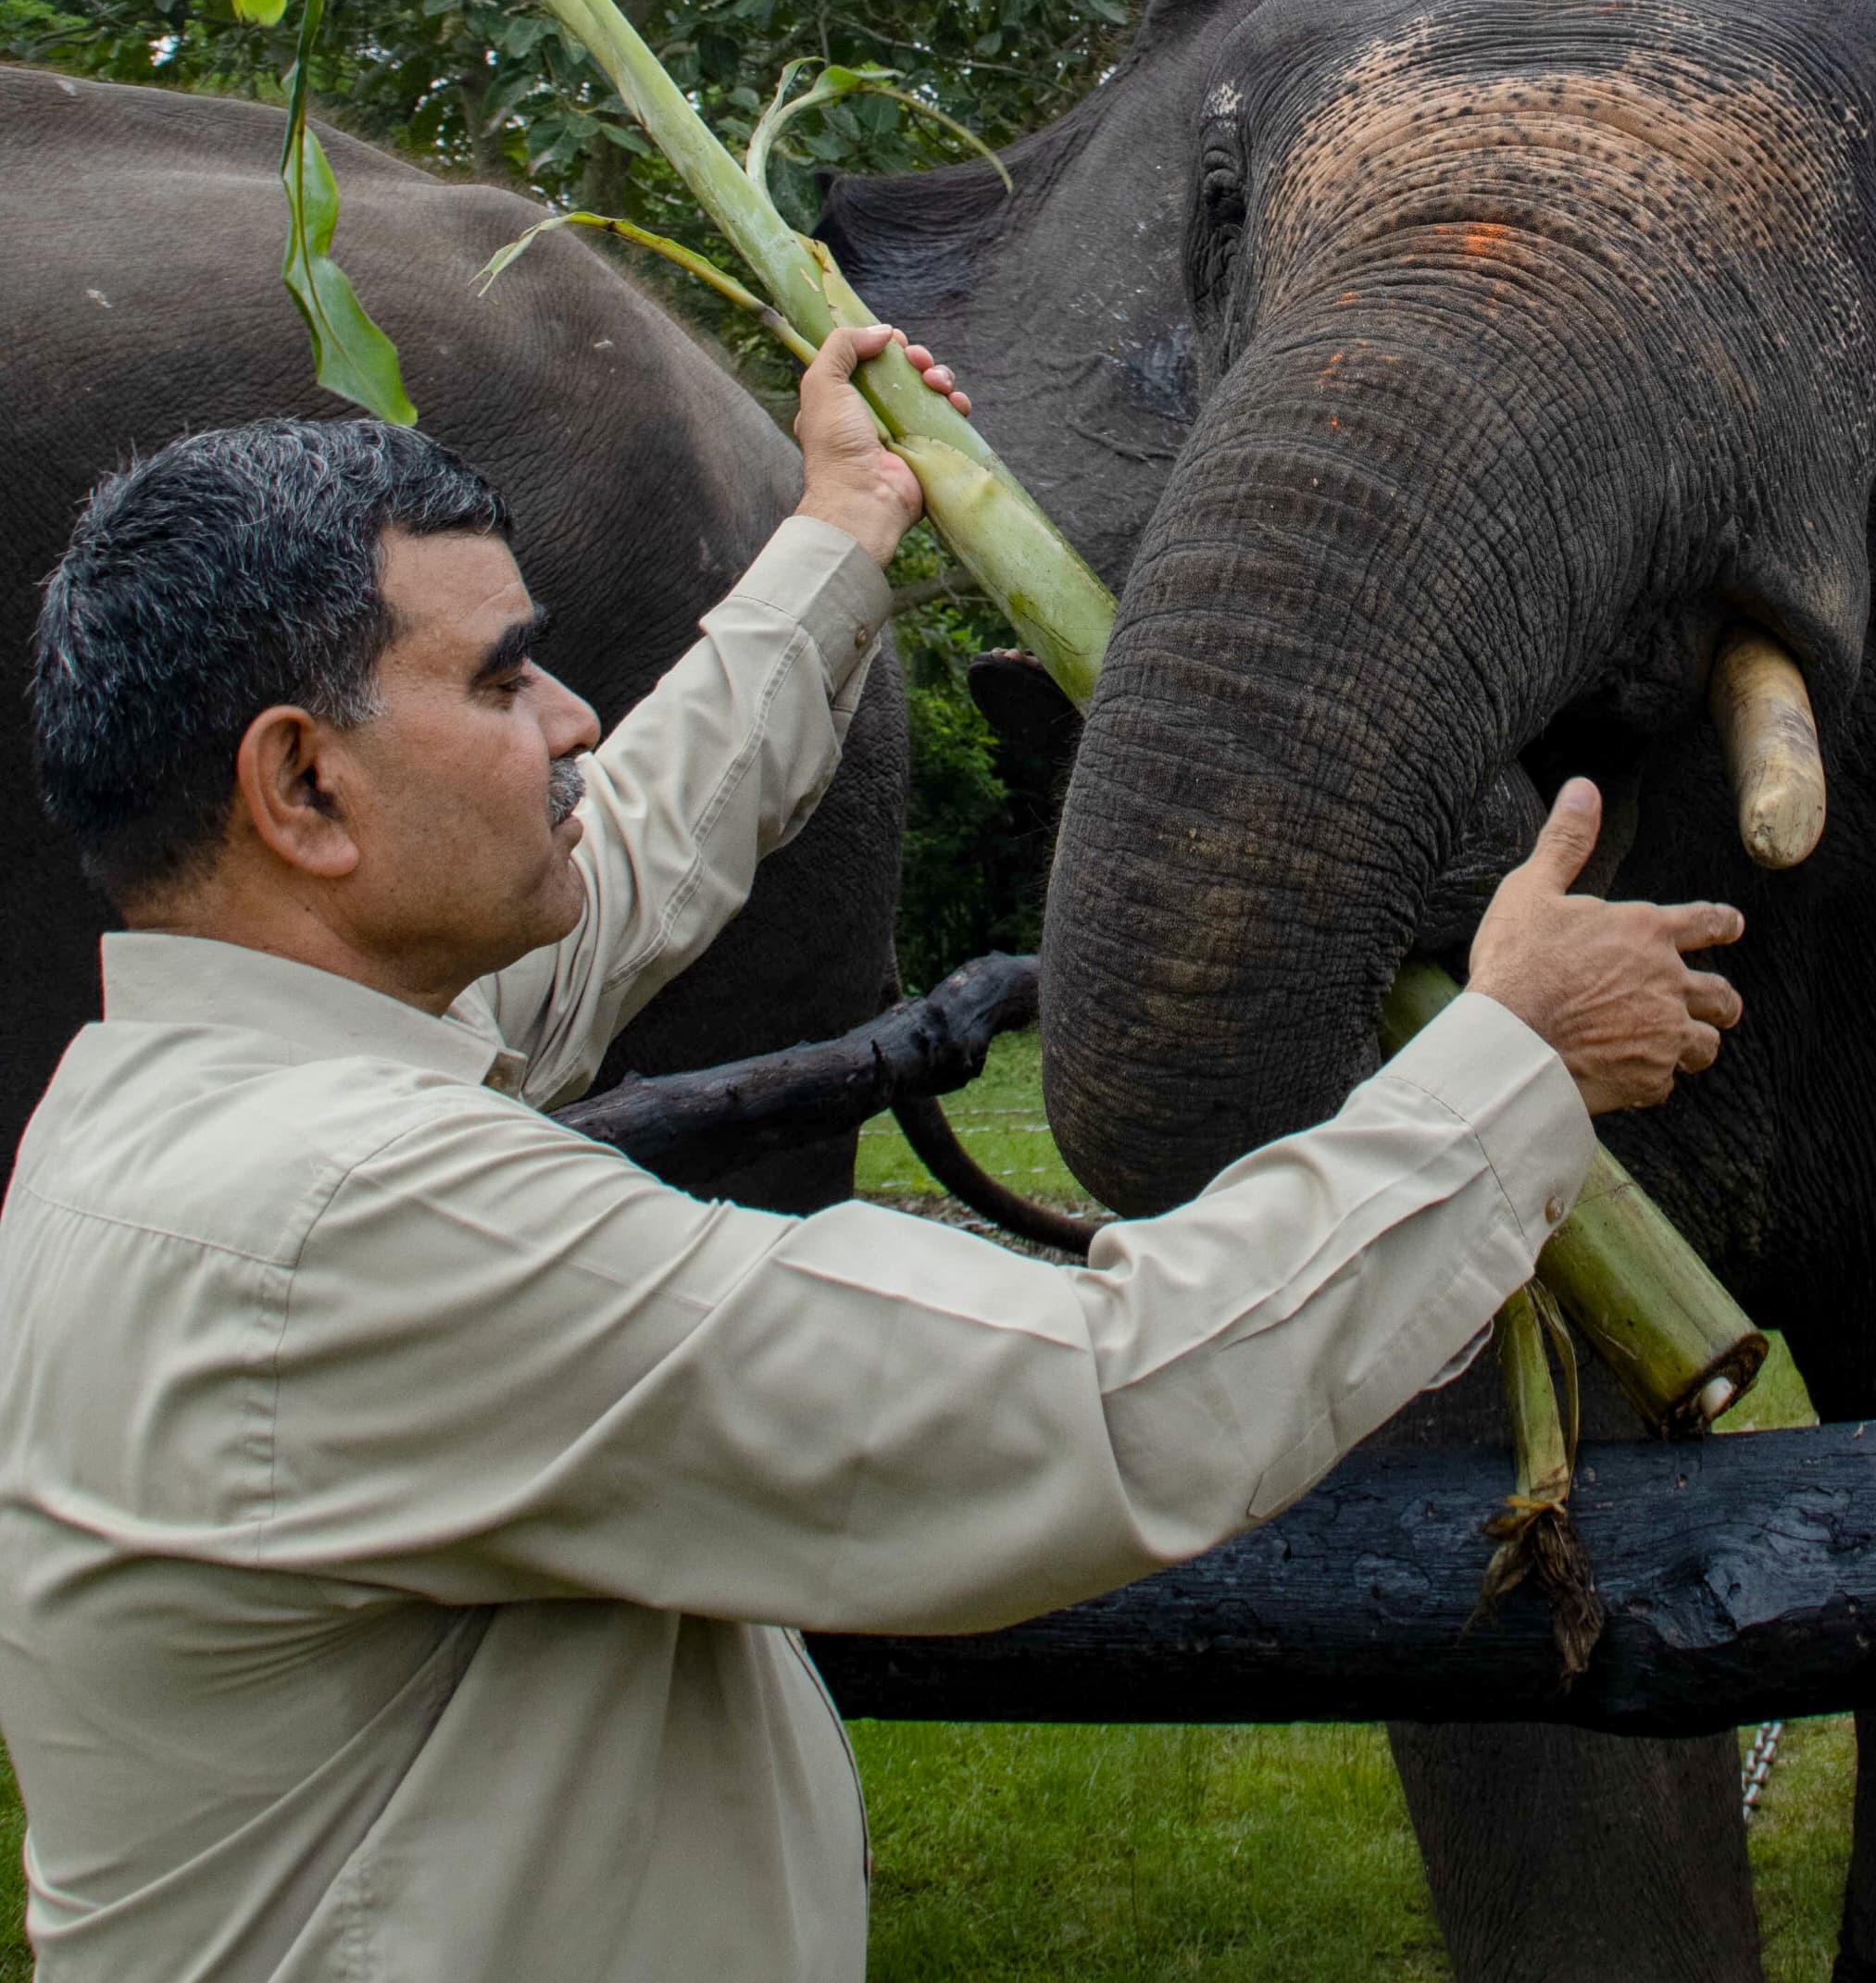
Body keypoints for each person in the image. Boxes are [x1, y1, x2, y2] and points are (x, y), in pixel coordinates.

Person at [0, 326, 1741, 1982]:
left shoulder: (169, 1110)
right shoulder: (340, 1223)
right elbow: (1100, 1402)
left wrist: (843, 533)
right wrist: (1514, 1064)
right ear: (302, 790)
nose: (573, 723)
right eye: (503, 677)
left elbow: (627, 866)